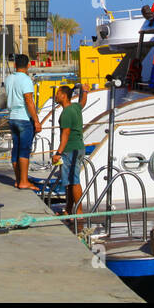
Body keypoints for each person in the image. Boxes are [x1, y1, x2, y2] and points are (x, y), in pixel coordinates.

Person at [5, 53, 42, 190]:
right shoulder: (26, 79)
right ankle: (24, 181)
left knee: (16, 149)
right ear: (28, 65)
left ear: (15, 65)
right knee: (24, 150)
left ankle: (18, 179)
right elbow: (28, 100)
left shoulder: (9, 78)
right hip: (23, 118)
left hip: (12, 117)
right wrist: (36, 121)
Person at [50, 85, 85, 219]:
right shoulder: (75, 107)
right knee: (69, 181)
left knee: (74, 180)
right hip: (79, 147)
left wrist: (58, 153)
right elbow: (82, 103)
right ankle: (69, 209)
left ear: (63, 95)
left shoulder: (66, 113)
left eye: (57, 93)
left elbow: (65, 134)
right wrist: (85, 92)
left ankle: (79, 212)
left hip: (70, 149)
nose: (56, 96)